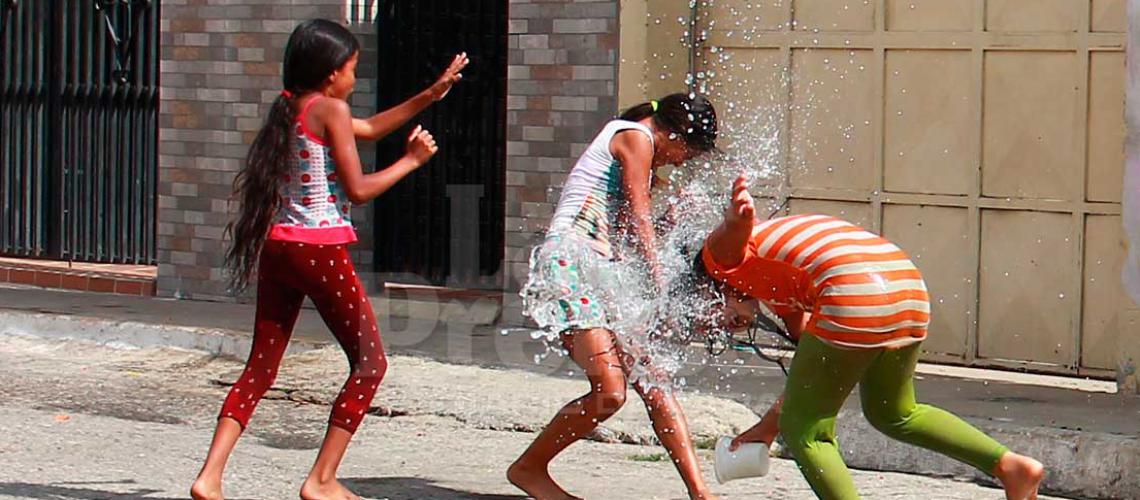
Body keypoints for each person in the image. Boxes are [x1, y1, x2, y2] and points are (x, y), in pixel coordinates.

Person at [190, 19, 468, 500]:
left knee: (260, 366)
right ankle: (321, 481)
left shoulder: (292, 106)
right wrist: (411, 162)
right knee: (370, 364)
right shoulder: (332, 109)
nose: (355, 79)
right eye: (353, 69)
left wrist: (432, 93)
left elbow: (369, 128)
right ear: (331, 73)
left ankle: (209, 477)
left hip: (280, 247)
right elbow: (359, 191)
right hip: (318, 249)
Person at [697, 174, 1045, 500]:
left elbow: (730, 239)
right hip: (906, 287)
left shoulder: (717, 258)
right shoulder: (778, 280)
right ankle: (1011, 466)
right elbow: (812, 373)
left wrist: (736, 219)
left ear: (709, 285)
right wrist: (768, 426)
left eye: (712, 314)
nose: (723, 325)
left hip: (853, 292)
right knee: (894, 412)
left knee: (806, 431)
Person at [508, 94, 722, 500]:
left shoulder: (637, 148)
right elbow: (639, 216)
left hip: (601, 272)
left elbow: (628, 235)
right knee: (610, 390)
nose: (680, 163)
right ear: (672, 134)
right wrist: (659, 283)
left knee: (653, 380)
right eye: (685, 154)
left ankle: (701, 494)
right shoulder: (635, 137)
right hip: (570, 266)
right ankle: (529, 469)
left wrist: (673, 217)